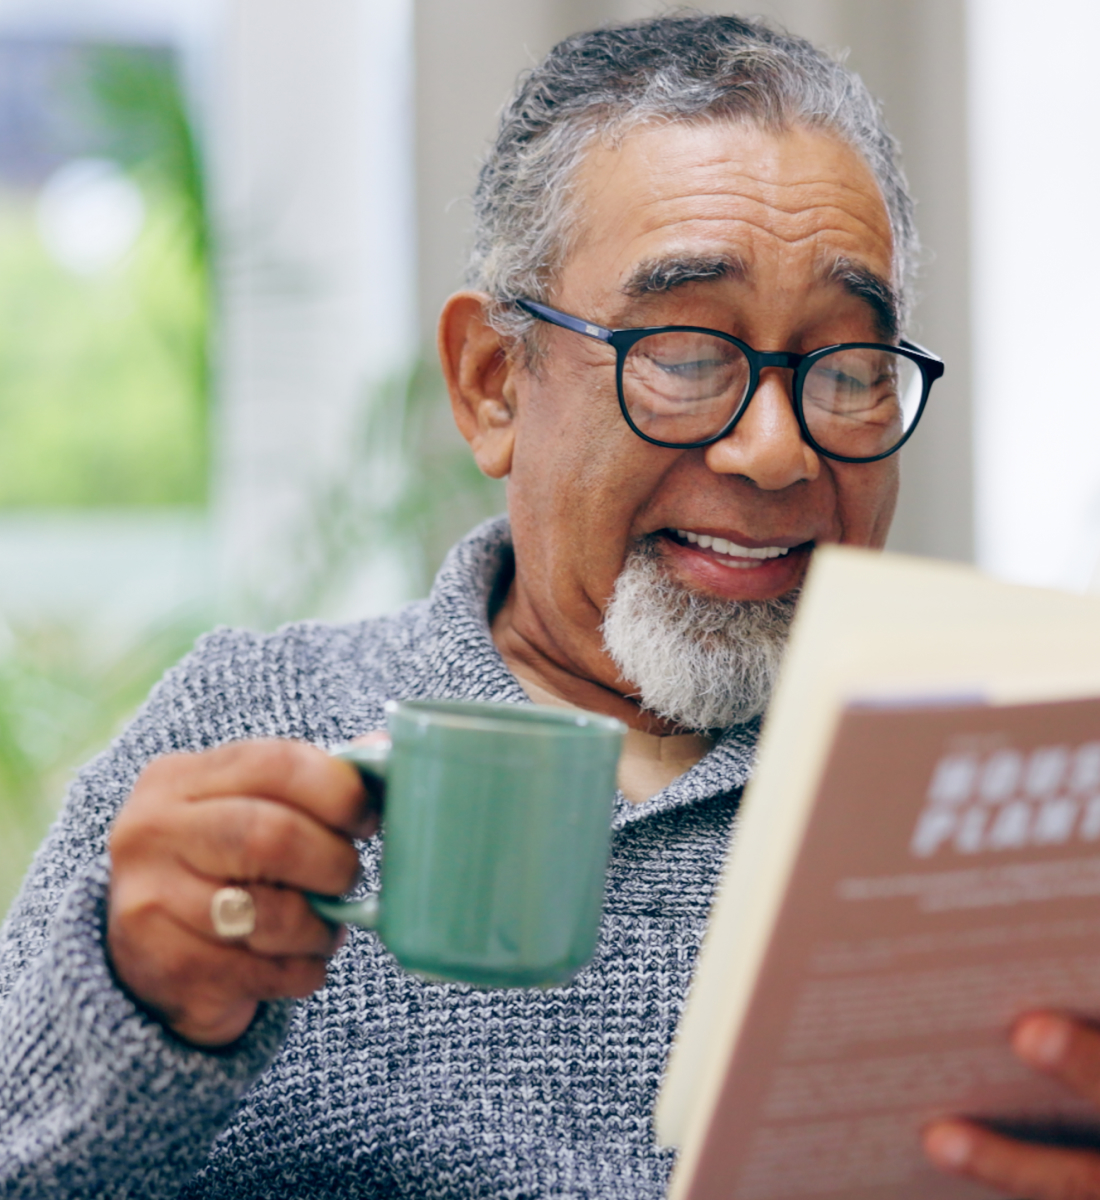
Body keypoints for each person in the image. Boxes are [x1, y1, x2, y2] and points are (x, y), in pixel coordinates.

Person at [0, 13, 1094, 1199]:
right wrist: (138, 1014)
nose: (776, 451)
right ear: (491, 384)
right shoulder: (246, 727)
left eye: (844, 371)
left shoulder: (1011, 782)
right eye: (684, 355)